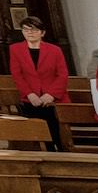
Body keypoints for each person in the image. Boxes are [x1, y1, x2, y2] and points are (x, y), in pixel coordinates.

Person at [8, 17, 68, 150]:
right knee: (39, 132)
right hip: (31, 98)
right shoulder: (15, 49)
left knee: (56, 131)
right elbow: (17, 75)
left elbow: (62, 75)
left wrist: (51, 94)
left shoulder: (54, 50)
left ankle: (62, 152)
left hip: (53, 98)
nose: (30, 32)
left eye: (34, 29)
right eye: (26, 29)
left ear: (42, 32)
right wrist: (30, 94)